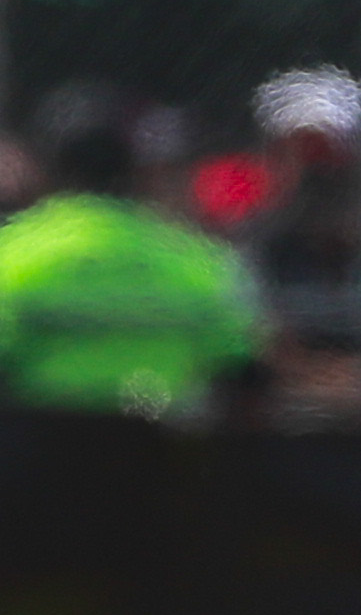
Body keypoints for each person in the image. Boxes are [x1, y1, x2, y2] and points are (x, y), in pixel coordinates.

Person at [0, 87, 263, 415]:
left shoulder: (12, 254)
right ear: (135, 172)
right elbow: (241, 366)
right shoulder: (196, 260)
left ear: (49, 169)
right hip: (160, 436)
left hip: (39, 439)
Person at [239, 68, 361, 414]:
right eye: (296, 154)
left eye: (326, 156)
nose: (314, 173)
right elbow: (261, 350)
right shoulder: (259, 248)